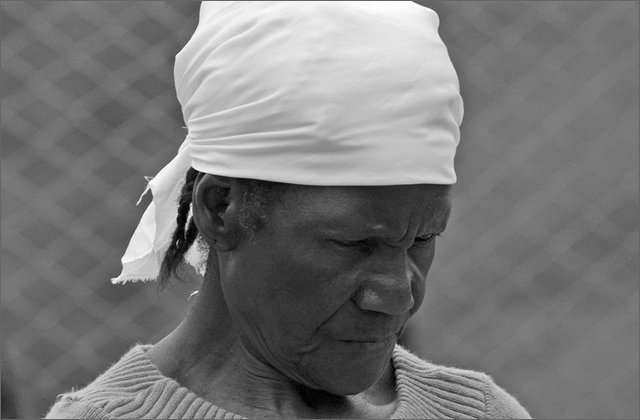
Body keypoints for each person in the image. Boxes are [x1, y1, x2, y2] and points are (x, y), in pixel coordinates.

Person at [46, 2, 531, 418]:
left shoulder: (476, 411)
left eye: (422, 239)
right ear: (221, 210)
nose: (399, 295)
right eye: (354, 243)